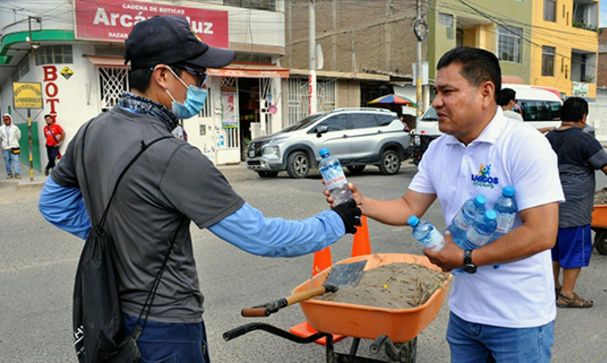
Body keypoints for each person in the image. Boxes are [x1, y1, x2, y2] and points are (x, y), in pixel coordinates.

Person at [38, 15, 361, 363]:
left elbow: (52, 203)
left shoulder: (90, 131)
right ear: (162, 75)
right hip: (166, 331)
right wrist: (336, 222)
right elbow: (263, 237)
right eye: (198, 74)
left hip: (109, 316)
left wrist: (120, 233)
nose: (203, 85)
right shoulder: (173, 156)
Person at [331, 47, 564, 362]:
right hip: (465, 316)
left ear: (485, 92)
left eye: (447, 92)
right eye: (436, 92)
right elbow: (408, 206)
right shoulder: (439, 149)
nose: (436, 102)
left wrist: (467, 257)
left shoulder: (525, 146)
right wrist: (362, 203)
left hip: (519, 320)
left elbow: (542, 233)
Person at [546, 97, 607, 309]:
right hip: (575, 208)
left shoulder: (549, 138)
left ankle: (553, 288)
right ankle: (566, 294)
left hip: (550, 207)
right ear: (583, 117)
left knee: (553, 249)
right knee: (574, 250)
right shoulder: (584, 140)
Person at [0, 113, 21, 179]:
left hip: (14, 147)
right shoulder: (1, 128)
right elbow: (1, 137)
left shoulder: (15, 128)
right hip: (5, 147)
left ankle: (17, 173)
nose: (6, 121)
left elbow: (18, 136)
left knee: (16, 160)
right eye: (5, 120)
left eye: (7, 120)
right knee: (7, 161)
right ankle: (9, 174)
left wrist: (14, 142)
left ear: (10, 120)